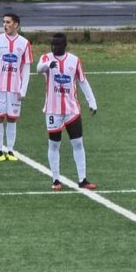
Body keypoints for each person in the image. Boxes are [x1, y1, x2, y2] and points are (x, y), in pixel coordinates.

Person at [36, 33, 98, 191]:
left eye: (57, 44)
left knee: (78, 143)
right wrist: (48, 65)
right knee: (54, 144)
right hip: (53, 110)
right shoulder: (46, 58)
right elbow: (38, 69)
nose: (53, 47)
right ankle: (56, 180)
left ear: (64, 45)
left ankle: (83, 179)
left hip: (72, 109)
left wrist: (92, 102)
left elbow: (82, 81)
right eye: (52, 44)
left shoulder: (74, 60)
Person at [0, 12, 33, 162]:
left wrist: (23, 89)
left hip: (15, 89)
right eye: (4, 22)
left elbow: (26, 68)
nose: (5, 25)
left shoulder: (24, 43)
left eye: (8, 22)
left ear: (16, 24)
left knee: (12, 119)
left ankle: (10, 150)